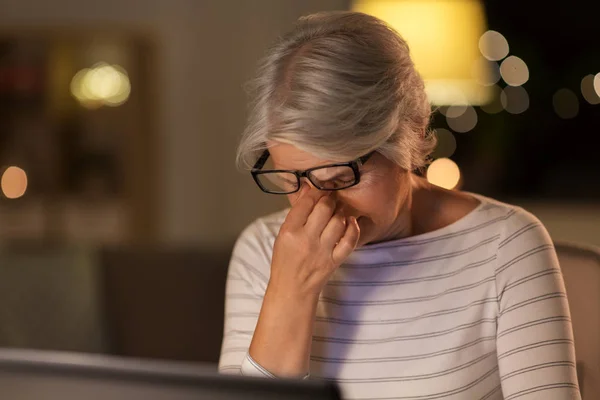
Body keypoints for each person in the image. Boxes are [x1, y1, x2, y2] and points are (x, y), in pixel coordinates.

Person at [218, 11, 581, 400]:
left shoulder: (507, 245)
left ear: (408, 137)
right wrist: (291, 292)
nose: (317, 205)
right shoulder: (260, 249)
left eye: (341, 178)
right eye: (291, 179)